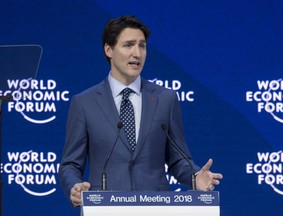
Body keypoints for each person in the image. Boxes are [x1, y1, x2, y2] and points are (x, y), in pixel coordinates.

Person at [58, 15, 223, 207]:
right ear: (108, 50)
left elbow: (178, 160)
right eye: (128, 45)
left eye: (142, 46)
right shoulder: (84, 103)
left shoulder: (165, 99)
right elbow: (70, 164)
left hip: (157, 207)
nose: (137, 53)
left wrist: (195, 176)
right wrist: (74, 186)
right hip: (105, 208)